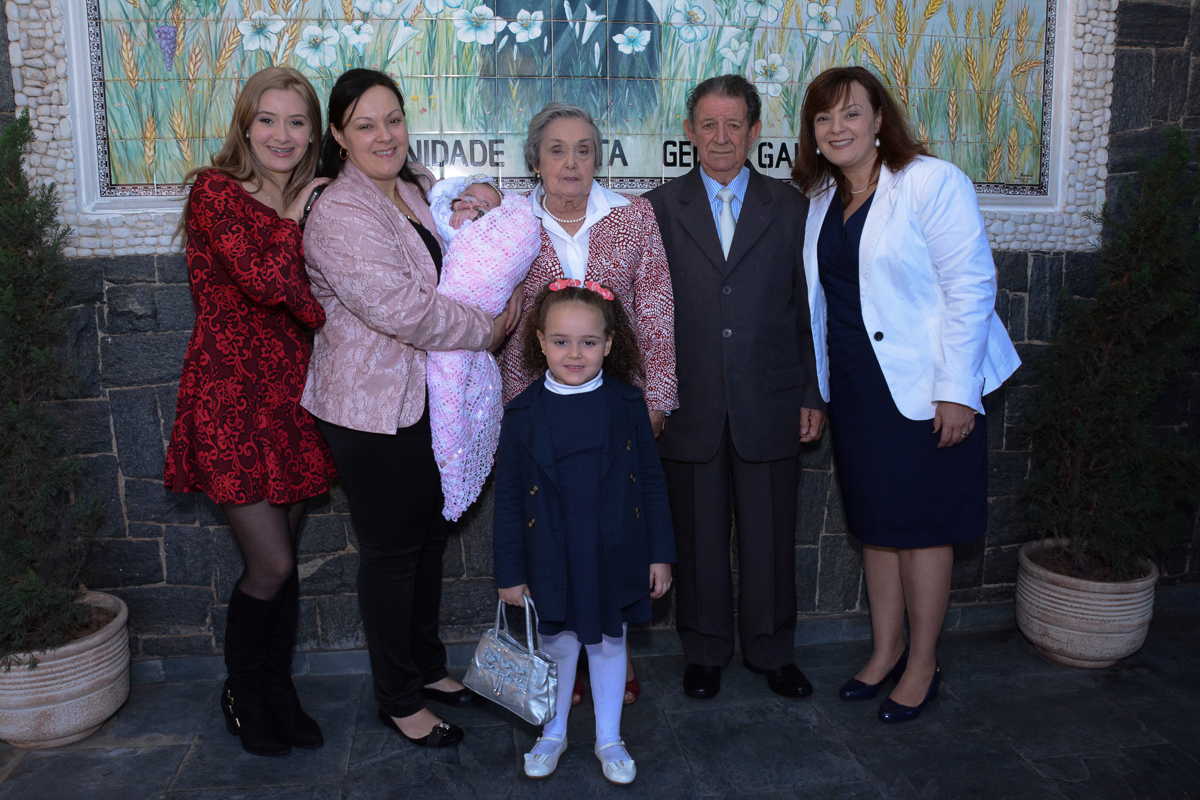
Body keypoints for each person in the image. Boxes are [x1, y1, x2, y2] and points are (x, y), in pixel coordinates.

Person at [793, 66, 1021, 722]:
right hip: (859, 391)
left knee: (924, 531)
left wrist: (957, 392)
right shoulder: (819, 203)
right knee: (878, 529)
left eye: (851, 113)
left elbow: (972, 289)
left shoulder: (931, 181)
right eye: (823, 118)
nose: (837, 128)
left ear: (879, 120)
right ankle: (885, 649)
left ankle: (923, 662)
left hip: (928, 388)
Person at [300, 69, 518, 748]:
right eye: (365, 124)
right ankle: (398, 698)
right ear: (339, 135)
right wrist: (492, 329)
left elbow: (465, 247)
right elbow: (404, 310)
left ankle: (424, 668)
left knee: (426, 543)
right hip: (370, 408)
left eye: (392, 119)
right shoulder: (340, 211)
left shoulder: (414, 190)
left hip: (424, 399)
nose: (384, 134)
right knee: (393, 553)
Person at [164, 66, 336, 757]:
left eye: (298, 122)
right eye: (268, 119)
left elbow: (317, 301)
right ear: (245, 124)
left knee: (286, 558)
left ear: (315, 132)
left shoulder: (323, 198)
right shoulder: (215, 191)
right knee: (268, 564)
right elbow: (269, 280)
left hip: (294, 398)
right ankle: (243, 688)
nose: (282, 134)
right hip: (231, 398)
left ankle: (277, 691)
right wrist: (296, 216)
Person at [644, 75, 825, 701]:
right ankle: (705, 649)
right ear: (689, 131)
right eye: (708, 125)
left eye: (734, 125)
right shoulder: (658, 209)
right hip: (688, 404)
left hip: (772, 399)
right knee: (696, 534)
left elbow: (809, 309)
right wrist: (652, 395)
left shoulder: (792, 206)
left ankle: (772, 649)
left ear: (753, 131)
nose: (721, 138)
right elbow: (644, 314)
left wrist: (811, 392)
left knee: (770, 533)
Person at [499, 102, 678, 706]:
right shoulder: (509, 224)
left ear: (598, 158)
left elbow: (654, 312)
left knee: (610, 530)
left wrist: (657, 398)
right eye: (556, 149)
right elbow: (495, 310)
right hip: (537, 409)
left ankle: (610, 658)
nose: (571, 162)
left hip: (614, 409)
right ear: (535, 159)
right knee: (551, 535)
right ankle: (562, 669)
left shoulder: (634, 218)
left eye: (583, 149)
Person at [493, 280, 676, 785]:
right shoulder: (521, 413)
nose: (575, 353)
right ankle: (553, 732)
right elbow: (508, 500)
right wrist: (510, 572)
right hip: (552, 551)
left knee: (611, 644)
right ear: (539, 340)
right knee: (558, 645)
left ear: (610, 344)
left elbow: (653, 484)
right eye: (561, 341)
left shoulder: (628, 404)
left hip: (612, 548)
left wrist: (660, 554)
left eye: (589, 342)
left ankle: (609, 737)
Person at [425, 174, 542, 520]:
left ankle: (454, 469)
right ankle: (451, 467)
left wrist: (512, 279)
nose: (473, 205)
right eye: (467, 197)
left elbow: (502, 258)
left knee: (458, 391)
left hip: (468, 322)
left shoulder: (493, 231)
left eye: (485, 205)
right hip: (443, 327)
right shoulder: (439, 215)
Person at [439, 179, 503, 233]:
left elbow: (489, 222)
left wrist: (471, 213)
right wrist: (458, 205)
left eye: (484, 202)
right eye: (470, 196)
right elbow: (448, 204)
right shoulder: (451, 205)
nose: (474, 201)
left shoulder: (493, 222)